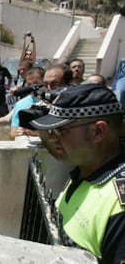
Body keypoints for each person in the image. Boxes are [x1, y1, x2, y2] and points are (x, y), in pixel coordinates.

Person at [30, 84, 125, 263]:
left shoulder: (118, 209)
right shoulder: (86, 168)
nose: (51, 138)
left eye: (60, 130)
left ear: (98, 132)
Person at [9, 67, 45, 140]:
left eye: (36, 83)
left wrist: (37, 132)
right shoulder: (21, 104)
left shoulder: (56, 101)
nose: (33, 87)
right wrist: (18, 133)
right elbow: (12, 134)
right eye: (29, 84)